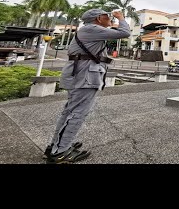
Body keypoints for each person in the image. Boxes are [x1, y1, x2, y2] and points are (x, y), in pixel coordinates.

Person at [43, 8, 131, 164]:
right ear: (98, 18)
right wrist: (121, 17)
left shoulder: (91, 29)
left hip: (81, 75)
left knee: (70, 112)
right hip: (84, 77)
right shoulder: (92, 29)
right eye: (107, 16)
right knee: (77, 114)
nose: (110, 18)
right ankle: (60, 152)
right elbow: (125, 32)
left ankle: (57, 146)